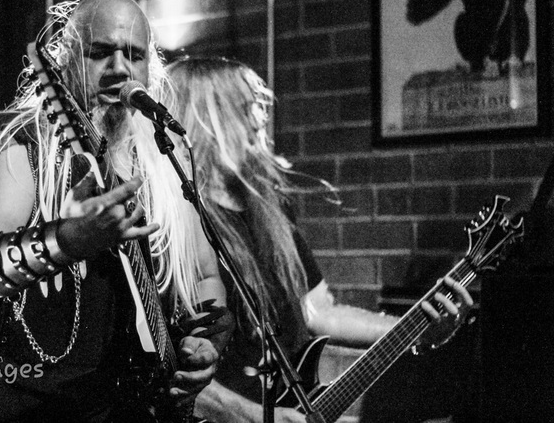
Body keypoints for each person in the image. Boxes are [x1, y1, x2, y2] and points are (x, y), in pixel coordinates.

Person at [0, 0, 230, 423]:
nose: (119, 68)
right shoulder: (17, 144)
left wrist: (205, 344)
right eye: (100, 53)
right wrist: (69, 240)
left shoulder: (164, 160)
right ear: (64, 60)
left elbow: (204, 276)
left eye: (134, 55)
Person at [164, 57, 474, 423]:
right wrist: (254, 417)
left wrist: (416, 329)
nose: (260, 120)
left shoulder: (270, 207)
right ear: (207, 119)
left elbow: (319, 312)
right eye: (246, 107)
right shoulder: (176, 219)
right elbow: (169, 370)